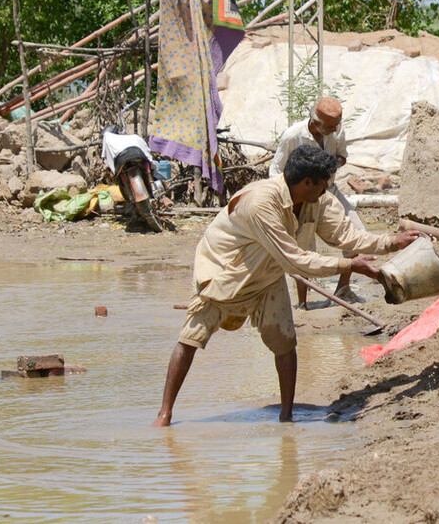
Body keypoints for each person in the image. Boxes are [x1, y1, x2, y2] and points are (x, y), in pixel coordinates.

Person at [155, 145, 420, 426]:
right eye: (323, 184)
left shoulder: (316, 201)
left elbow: (345, 235)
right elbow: (294, 261)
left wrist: (392, 241)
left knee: (285, 343)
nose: (326, 189)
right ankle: (165, 414)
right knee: (190, 339)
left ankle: (287, 417)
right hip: (225, 273)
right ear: (307, 182)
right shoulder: (260, 203)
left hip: (267, 276)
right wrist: (350, 265)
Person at [270, 97, 369, 307]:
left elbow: (342, 156)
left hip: (329, 190)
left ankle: (343, 289)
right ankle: (303, 304)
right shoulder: (292, 136)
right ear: (315, 123)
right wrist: (288, 199)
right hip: (303, 195)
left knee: (356, 234)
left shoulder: (337, 130)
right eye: (330, 127)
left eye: (337, 126)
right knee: (304, 249)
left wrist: (331, 163)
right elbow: (275, 171)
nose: (334, 131)